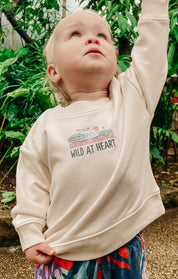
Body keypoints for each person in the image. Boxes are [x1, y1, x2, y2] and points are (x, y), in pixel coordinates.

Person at [11, 0, 169, 278]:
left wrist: (155, 6)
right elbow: (32, 183)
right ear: (54, 72)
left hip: (124, 246)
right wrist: (30, 232)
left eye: (103, 35)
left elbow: (152, 48)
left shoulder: (133, 98)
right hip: (62, 254)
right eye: (75, 34)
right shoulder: (46, 125)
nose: (92, 38)